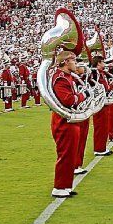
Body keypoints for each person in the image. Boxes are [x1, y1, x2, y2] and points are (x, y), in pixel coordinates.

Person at [51, 50, 85, 198]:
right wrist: (83, 96)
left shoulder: (68, 77)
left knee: (71, 153)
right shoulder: (60, 79)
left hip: (70, 119)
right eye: (74, 61)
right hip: (63, 121)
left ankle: (65, 185)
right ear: (66, 62)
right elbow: (69, 100)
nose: (76, 64)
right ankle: (59, 187)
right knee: (65, 154)